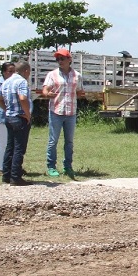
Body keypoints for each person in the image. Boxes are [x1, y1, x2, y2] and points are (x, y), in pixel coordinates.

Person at [42, 48, 85, 179]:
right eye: (58, 59)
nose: (60, 61)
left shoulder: (77, 75)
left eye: (62, 58)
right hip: (56, 111)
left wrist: (82, 95)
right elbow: (45, 89)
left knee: (69, 141)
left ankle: (68, 166)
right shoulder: (52, 74)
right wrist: (48, 94)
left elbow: (79, 91)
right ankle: (51, 166)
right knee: (53, 140)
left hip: (71, 112)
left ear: (69, 60)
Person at [0, 61, 32, 186]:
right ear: (26, 71)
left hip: (9, 117)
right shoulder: (22, 82)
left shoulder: (7, 81)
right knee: (19, 148)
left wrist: (7, 109)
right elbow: (23, 98)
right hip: (19, 118)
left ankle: (6, 175)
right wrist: (27, 114)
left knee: (10, 147)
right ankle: (16, 177)